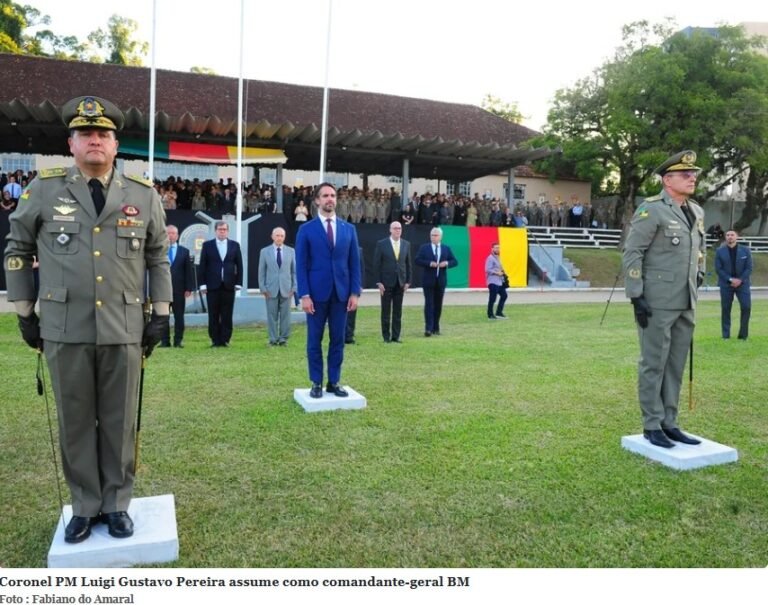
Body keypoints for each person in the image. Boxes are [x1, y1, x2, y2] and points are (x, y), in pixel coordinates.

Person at [3, 95, 172, 543]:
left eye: (103, 134)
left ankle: (116, 504)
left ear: (115, 145)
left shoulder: (142, 194)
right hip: (65, 327)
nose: (95, 140)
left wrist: (160, 312)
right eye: (85, 134)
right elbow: (17, 250)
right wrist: (25, 312)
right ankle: (84, 506)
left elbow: (158, 257)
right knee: (75, 420)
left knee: (119, 422)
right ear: (71, 144)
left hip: (124, 326)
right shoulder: (44, 189)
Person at [623, 150, 706, 449]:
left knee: (675, 364)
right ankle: (652, 424)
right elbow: (633, 252)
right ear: (667, 180)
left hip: (686, 299)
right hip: (656, 300)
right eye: (686, 174)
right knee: (654, 363)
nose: (692, 178)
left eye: (694, 174)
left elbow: (700, 249)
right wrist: (636, 295)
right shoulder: (652, 209)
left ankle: (670, 422)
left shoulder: (696, 211)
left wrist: (700, 273)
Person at [296, 182, 362, 398]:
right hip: (315, 295)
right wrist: (304, 295)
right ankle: (316, 382)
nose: (330, 199)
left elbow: (354, 264)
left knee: (338, 340)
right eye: (325, 195)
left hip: (341, 295)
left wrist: (354, 293)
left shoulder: (348, 229)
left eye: (333, 195)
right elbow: (301, 265)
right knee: (314, 340)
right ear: (317, 200)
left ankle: (334, 381)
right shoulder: (306, 229)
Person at [198, 221, 243, 347]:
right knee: (213, 314)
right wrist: (202, 284)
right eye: (220, 229)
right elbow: (202, 266)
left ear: (227, 231)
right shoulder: (207, 245)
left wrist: (238, 283)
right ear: (215, 231)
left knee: (227, 314)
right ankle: (215, 340)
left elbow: (239, 265)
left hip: (229, 285)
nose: (222, 231)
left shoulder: (234, 245)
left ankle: (225, 339)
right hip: (212, 286)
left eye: (224, 229)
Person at [414, 227, 458, 336]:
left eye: (436, 235)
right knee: (429, 304)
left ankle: (436, 327)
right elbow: (417, 260)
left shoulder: (446, 248)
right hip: (428, 281)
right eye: (432, 235)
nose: (433, 237)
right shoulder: (424, 248)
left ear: (441, 237)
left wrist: (446, 263)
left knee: (438, 304)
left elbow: (454, 261)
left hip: (441, 281)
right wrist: (429, 263)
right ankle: (428, 328)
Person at [373, 221, 412, 343]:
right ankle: (386, 337)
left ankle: (396, 336)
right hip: (386, 283)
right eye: (395, 228)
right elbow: (376, 264)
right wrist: (378, 282)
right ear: (390, 230)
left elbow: (408, 264)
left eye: (399, 228)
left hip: (400, 283)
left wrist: (408, 281)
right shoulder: (382, 244)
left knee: (397, 311)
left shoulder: (406, 244)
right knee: (386, 311)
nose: (397, 230)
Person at [258, 226, 297, 346]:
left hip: (287, 289)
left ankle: (283, 338)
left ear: (284, 237)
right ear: (272, 236)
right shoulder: (264, 252)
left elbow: (294, 271)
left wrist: (294, 287)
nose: (279, 238)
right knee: (272, 315)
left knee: (286, 316)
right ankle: (273, 339)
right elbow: (261, 271)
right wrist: (263, 288)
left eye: (282, 236)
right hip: (270, 289)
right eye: (277, 235)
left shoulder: (291, 251)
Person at [161, 224, 195, 348]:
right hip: (162, 289)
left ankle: (178, 341)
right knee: (163, 316)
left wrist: (188, 288)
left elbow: (188, 271)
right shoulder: (159, 250)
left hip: (179, 290)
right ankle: (165, 341)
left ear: (177, 235)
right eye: (168, 233)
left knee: (179, 316)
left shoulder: (184, 251)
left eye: (173, 233)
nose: (170, 236)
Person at [715, 229, 752, 340]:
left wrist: (740, 280)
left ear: (737, 237)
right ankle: (726, 336)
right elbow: (718, 269)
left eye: (732, 235)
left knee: (746, 307)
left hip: (743, 284)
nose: (730, 237)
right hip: (726, 284)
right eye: (728, 235)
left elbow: (749, 268)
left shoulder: (745, 250)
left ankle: (743, 336)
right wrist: (730, 280)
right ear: (725, 237)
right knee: (726, 309)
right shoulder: (720, 251)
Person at [485, 243, 508, 319]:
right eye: (496, 248)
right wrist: (497, 273)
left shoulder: (497, 258)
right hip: (493, 281)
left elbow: (499, 268)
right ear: (492, 249)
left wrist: (503, 272)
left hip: (499, 281)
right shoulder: (490, 258)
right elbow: (487, 269)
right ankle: (490, 314)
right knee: (492, 298)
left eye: (498, 248)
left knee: (504, 295)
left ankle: (499, 312)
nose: (498, 249)